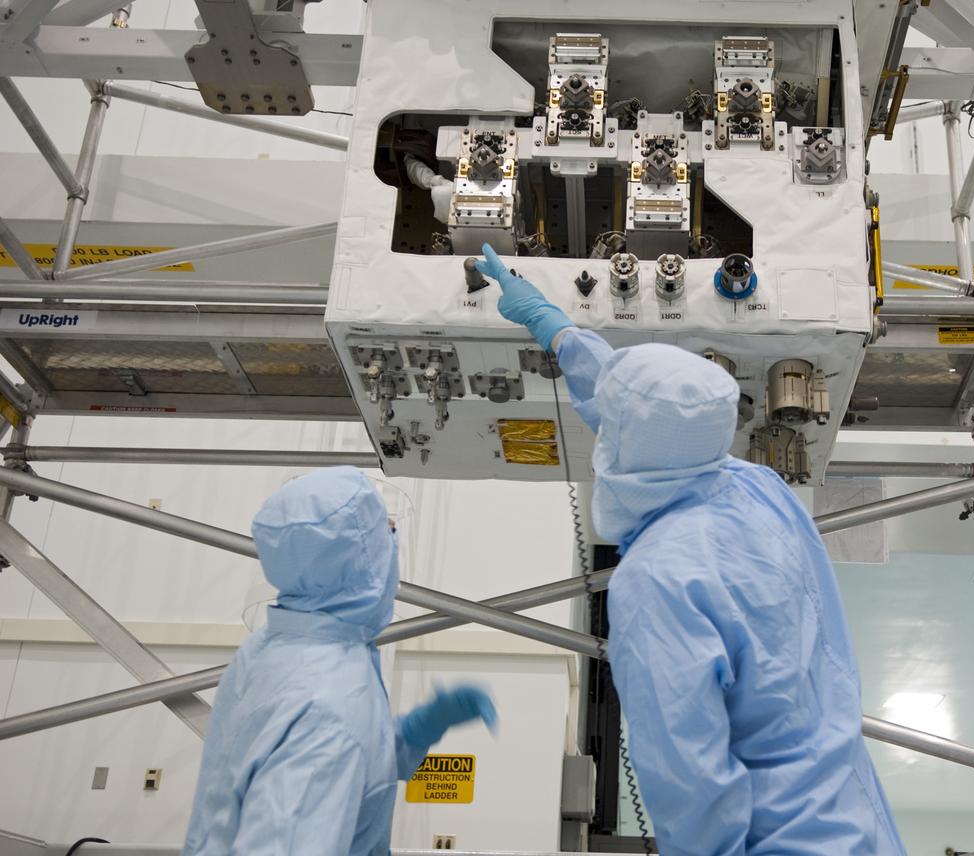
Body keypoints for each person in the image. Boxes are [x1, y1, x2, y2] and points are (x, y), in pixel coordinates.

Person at [475, 245, 905, 856]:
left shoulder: (657, 581)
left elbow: (691, 787)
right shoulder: (759, 492)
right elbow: (649, 415)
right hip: (860, 827)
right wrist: (554, 326)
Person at [183, 466, 496, 855]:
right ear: (364, 561)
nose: (394, 543)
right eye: (388, 532)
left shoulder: (272, 647)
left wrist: (409, 734)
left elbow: (348, 764)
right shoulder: (328, 708)